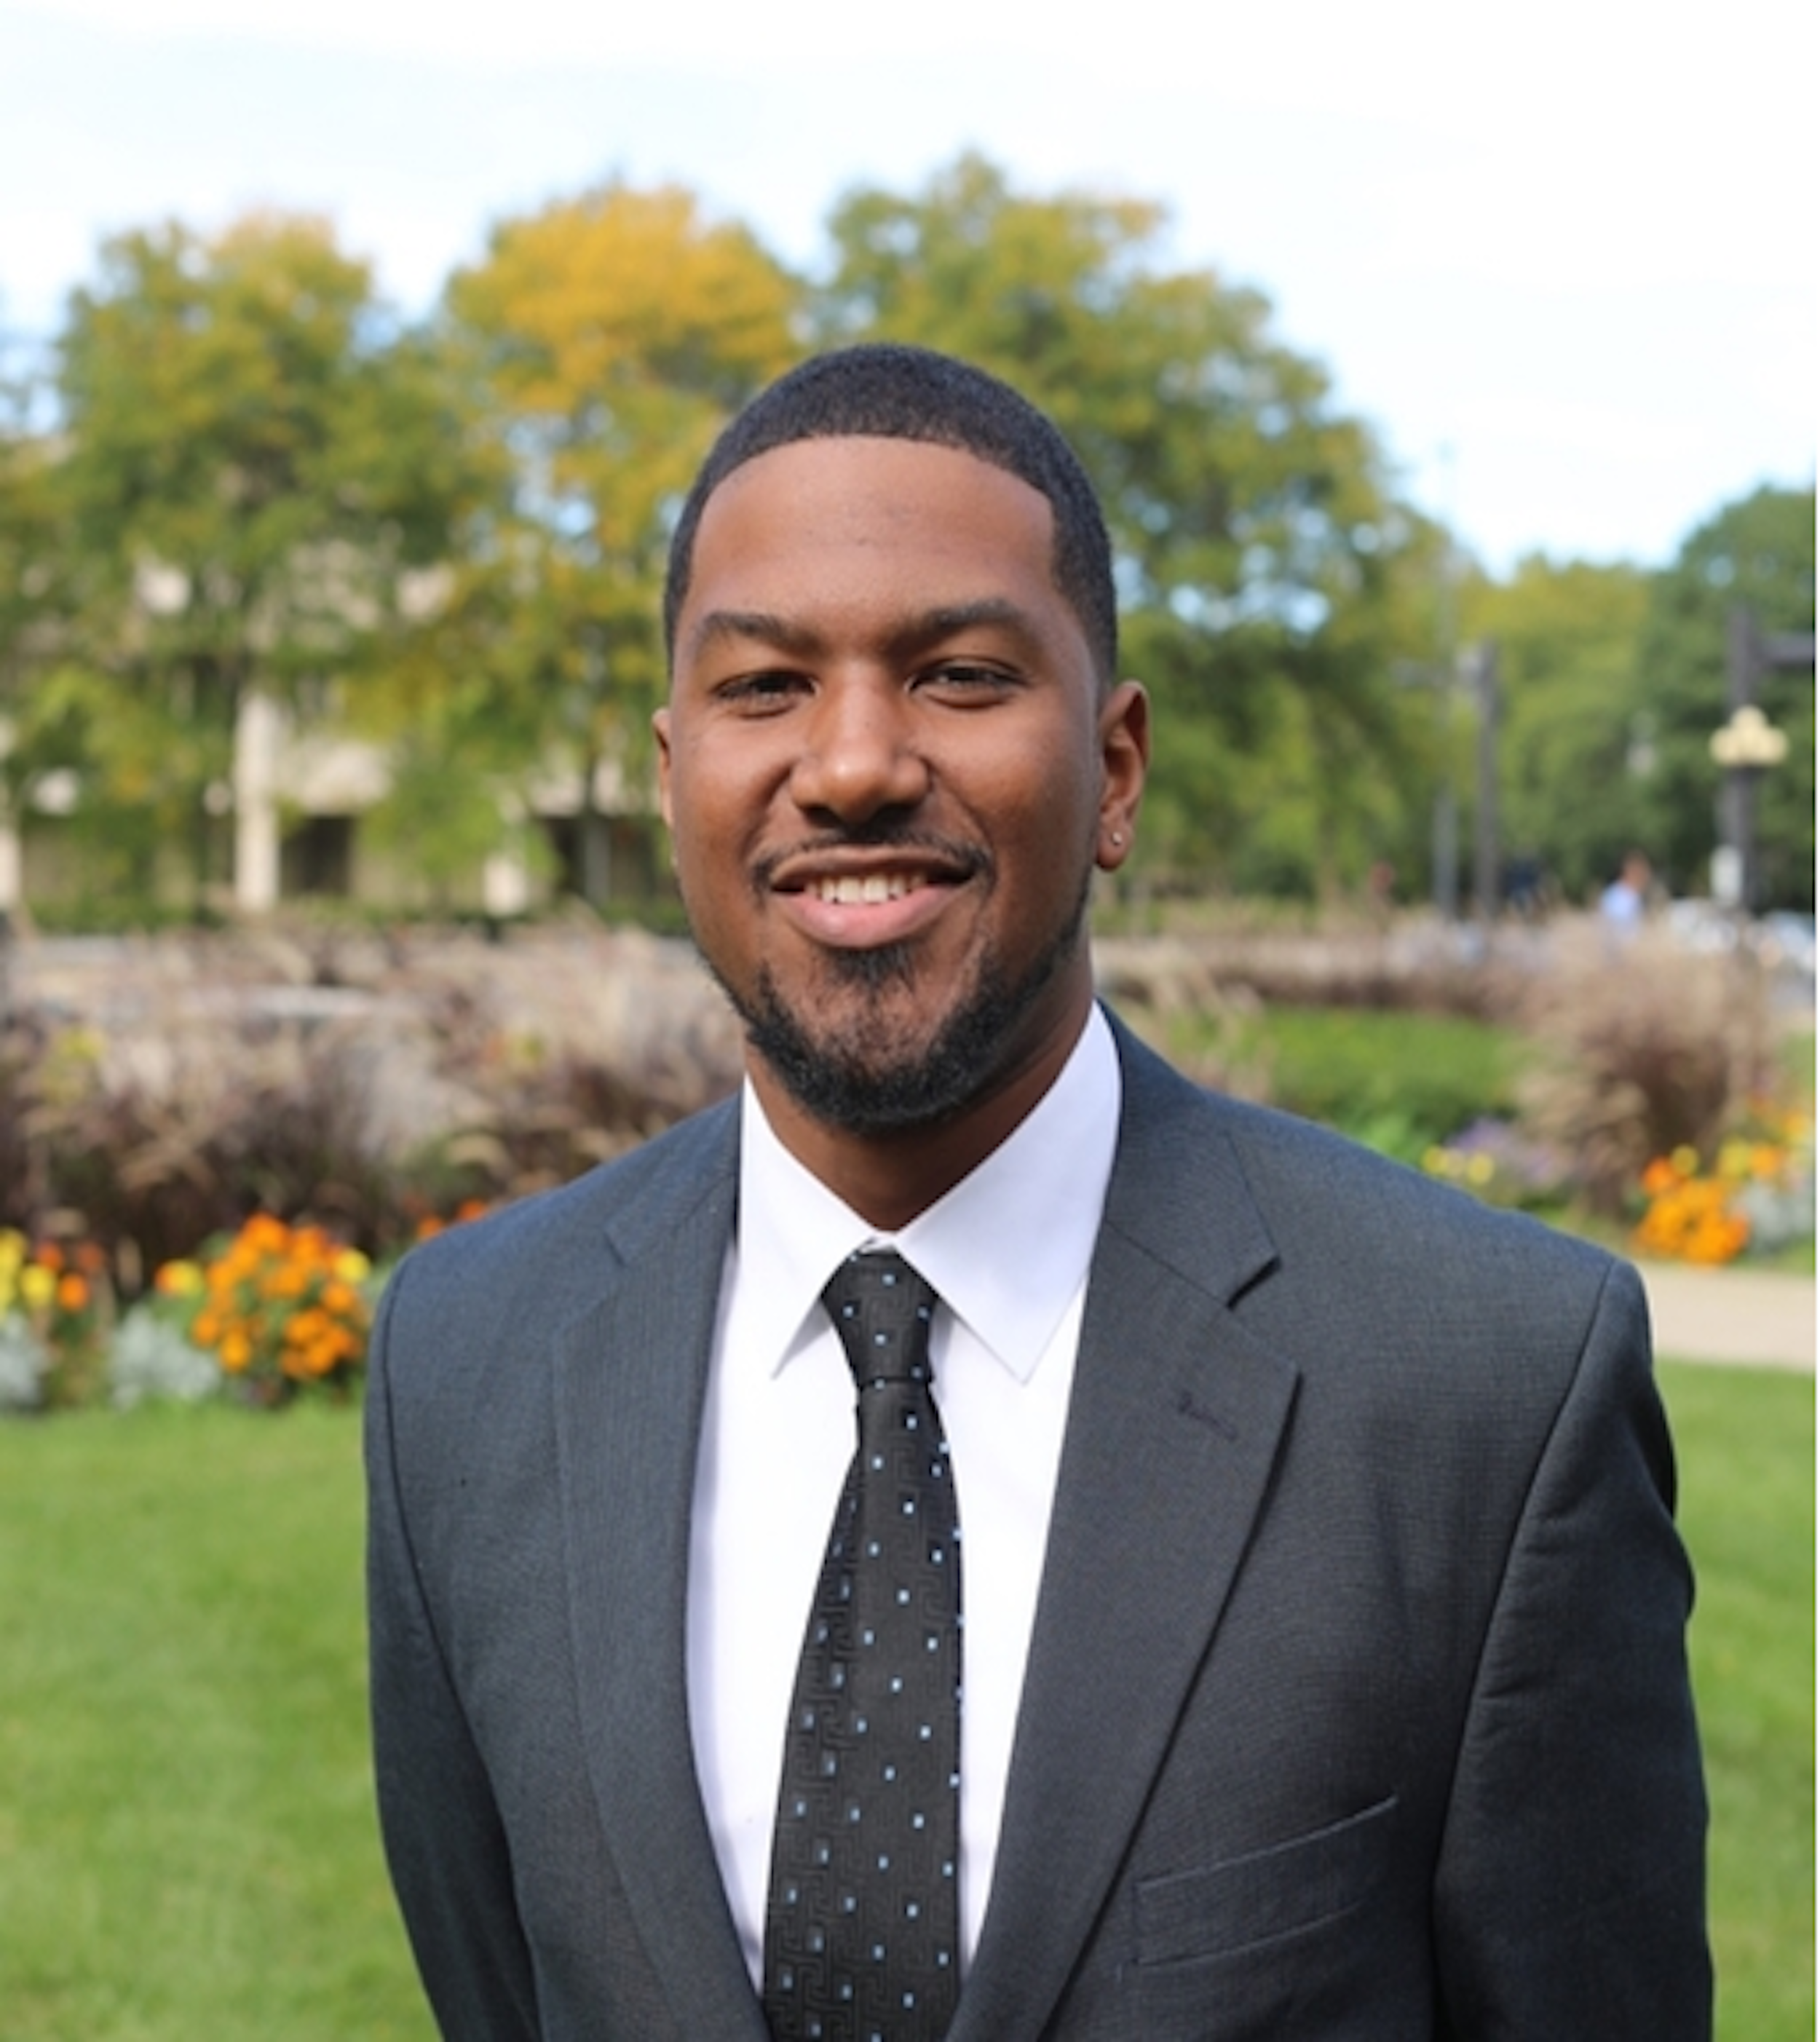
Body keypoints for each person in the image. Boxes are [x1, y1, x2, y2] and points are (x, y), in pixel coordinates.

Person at [366, 344, 1709, 2040]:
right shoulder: (465, 1367)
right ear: (667, 775)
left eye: (959, 674)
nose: (849, 761)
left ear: (1117, 770)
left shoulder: (1484, 1390)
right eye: (763, 684)